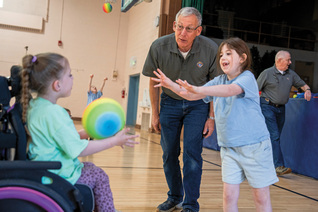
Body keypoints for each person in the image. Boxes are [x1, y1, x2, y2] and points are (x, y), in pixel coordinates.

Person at [151, 37, 279, 212]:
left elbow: (230, 91)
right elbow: (190, 95)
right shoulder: (219, 81)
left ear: (242, 58)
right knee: (228, 196)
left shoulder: (247, 78)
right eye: (221, 54)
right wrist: (170, 84)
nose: (223, 57)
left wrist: (199, 89)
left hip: (254, 148)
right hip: (229, 148)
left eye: (228, 53)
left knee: (260, 197)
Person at [20, 53, 139, 212]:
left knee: (90, 166)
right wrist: (113, 141)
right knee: (99, 176)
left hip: (47, 169)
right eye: (69, 74)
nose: (73, 78)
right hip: (58, 173)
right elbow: (79, 149)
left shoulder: (37, 106)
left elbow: (62, 139)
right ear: (57, 85)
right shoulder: (54, 113)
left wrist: (91, 132)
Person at [142, 7, 219, 212]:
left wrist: (211, 117)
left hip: (198, 106)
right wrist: (155, 114)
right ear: (174, 25)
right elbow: (153, 82)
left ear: (198, 30)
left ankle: (191, 204)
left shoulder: (211, 49)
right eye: (179, 27)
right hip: (170, 103)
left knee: (192, 154)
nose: (182, 33)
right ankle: (174, 196)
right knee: (169, 153)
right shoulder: (158, 46)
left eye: (189, 28)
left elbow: (214, 86)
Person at [257, 50, 311, 176]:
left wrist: (307, 89)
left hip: (281, 109)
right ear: (279, 60)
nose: (290, 62)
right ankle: (278, 166)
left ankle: (261, 161)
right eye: (288, 60)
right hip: (267, 106)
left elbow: (302, 84)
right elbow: (255, 90)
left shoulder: (290, 74)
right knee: (274, 135)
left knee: (274, 137)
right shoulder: (267, 73)